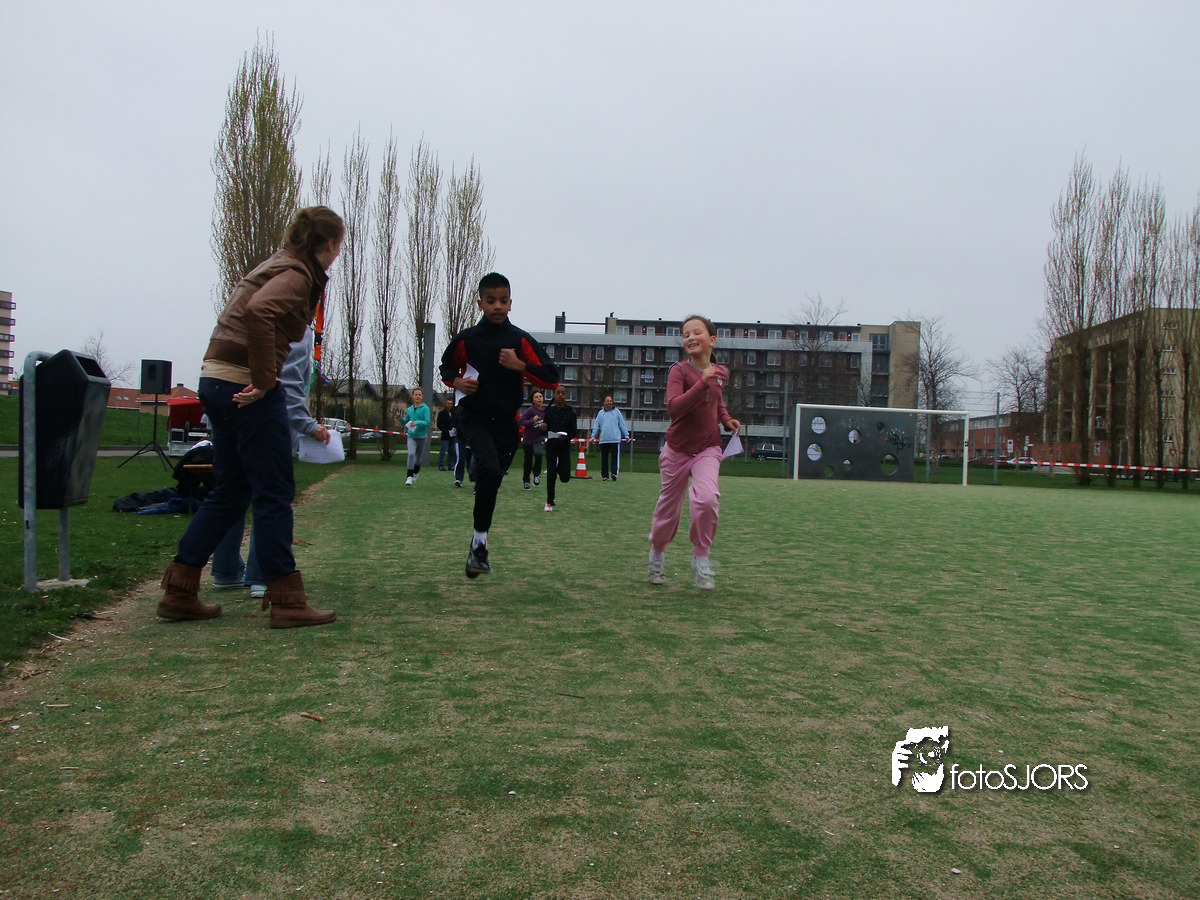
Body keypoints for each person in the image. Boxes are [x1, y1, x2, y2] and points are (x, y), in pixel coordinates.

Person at [156, 205, 343, 628]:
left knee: (230, 490)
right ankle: (287, 600)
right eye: (338, 246)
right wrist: (263, 380)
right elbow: (261, 312)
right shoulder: (298, 274)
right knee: (274, 491)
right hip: (246, 387)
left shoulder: (277, 263)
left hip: (216, 380)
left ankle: (180, 589)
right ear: (330, 243)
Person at [440, 272, 558, 577]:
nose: (497, 306)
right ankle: (479, 546)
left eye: (503, 301)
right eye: (491, 300)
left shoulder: (518, 339)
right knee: (490, 471)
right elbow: (446, 366)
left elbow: (551, 377)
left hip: (506, 423)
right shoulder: (467, 339)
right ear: (480, 303)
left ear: (511, 303)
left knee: (492, 477)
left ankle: (477, 542)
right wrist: (457, 382)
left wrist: (520, 365)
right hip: (475, 417)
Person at [210, 325, 330, 599]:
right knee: (271, 495)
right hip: (266, 420)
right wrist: (308, 425)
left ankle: (225, 569)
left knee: (230, 493)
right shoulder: (292, 325)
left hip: (227, 412)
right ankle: (262, 574)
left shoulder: (238, 317)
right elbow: (287, 383)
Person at [647, 315, 741, 590]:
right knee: (668, 510)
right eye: (685, 334)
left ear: (711, 340)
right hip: (677, 449)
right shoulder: (679, 371)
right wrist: (702, 383)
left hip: (708, 448)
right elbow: (674, 408)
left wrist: (726, 419)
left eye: (696, 332)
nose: (689, 337)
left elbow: (716, 402)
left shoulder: (720, 373)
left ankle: (701, 558)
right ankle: (657, 555)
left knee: (707, 500)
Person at [542, 384, 578, 512]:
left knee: (565, 477)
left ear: (566, 395)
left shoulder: (570, 412)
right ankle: (549, 501)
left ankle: (559, 469)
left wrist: (567, 436)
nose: (560, 395)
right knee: (551, 475)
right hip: (551, 445)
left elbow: (574, 431)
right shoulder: (548, 411)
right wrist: (543, 428)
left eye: (563, 393)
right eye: (558, 393)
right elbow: (543, 431)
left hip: (564, 446)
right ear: (554, 395)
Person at [591, 395, 630, 481]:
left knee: (614, 458)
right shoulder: (600, 414)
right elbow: (597, 426)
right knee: (604, 459)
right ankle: (605, 476)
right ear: (604, 402)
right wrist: (593, 436)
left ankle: (614, 473)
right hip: (604, 440)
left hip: (614, 439)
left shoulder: (617, 412)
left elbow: (622, 424)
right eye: (607, 401)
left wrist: (626, 435)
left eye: (610, 401)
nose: (609, 402)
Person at [401, 387, 431, 485]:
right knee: (411, 454)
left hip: (421, 437)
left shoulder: (425, 408)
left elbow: (427, 422)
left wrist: (417, 422)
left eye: (419, 395)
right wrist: (400, 419)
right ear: (413, 396)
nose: (417, 396)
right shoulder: (409, 409)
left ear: (422, 396)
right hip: (411, 436)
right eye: (416, 394)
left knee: (418, 458)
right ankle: (409, 476)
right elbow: (406, 422)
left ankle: (416, 471)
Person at [518, 390, 548, 490]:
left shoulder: (545, 411)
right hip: (528, 439)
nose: (539, 398)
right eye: (536, 397)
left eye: (540, 396)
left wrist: (545, 427)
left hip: (539, 438)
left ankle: (537, 475)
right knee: (528, 461)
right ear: (533, 400)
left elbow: (548, 423)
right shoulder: (530, 411)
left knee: (539, 455)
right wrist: (532, 421)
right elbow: (521, 421)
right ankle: (526, 481)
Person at [436, 398, 457, 471]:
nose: (450, 405)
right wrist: (446, 431)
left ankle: (451, 465)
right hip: (445, 436)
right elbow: (439, 425)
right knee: (443, 451)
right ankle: (441, 465)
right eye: (448, 403)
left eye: (451, 404)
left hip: (453, 436)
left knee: (452, 451)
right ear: (445, 404)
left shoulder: (454, 414)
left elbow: (457, 422)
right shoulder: (441, 413)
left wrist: (456, 428)